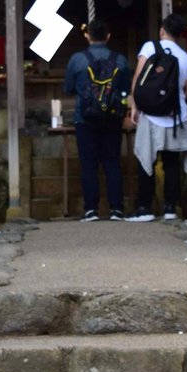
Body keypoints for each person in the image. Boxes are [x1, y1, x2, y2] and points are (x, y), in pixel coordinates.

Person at [127, 13, 187, 221]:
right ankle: (169, 208)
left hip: (151, 114)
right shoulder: (186, 59)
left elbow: (139, 78)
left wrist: (134, 105)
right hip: (176, 117)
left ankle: (144, 208)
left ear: (162, 30)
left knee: (145, 158)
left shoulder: (150, 48)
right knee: (172, 163)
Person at [63, 19, 130, 221]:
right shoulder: (120, 60)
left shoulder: (77, 59)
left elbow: (68, 88)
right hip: (112, 117)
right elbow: (126, 90)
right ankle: (116, 209)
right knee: (112, 162)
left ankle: (91, 209)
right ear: (108, 36)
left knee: (88, 163)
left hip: (85, 118)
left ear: (87, 36)